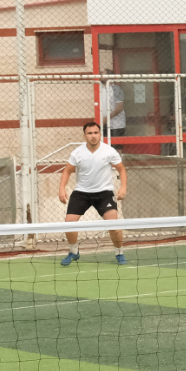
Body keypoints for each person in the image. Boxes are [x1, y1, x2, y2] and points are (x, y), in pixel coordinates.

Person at [57, 122, 128, 266]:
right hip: (81, 193)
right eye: (90, 133)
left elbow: (121, 169)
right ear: (84, 136)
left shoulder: (109, 151)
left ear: (100, 134)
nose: (93, 136)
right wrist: (61, 189)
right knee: (69, 223)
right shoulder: (77, 153)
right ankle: (74, 252)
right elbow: (67, 171)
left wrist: (123, 187)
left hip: (105, 194)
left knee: (114, 225)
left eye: (96, 133)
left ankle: (119, 253)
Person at [103, 70, 126, 139]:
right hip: (105, 124)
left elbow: (120, 107)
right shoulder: (102, 90)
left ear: (109, 76)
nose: (100, 76)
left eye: (103, 74)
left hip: (117, 124)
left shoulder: (116, 89)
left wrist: (107, 118)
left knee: (117, 146)